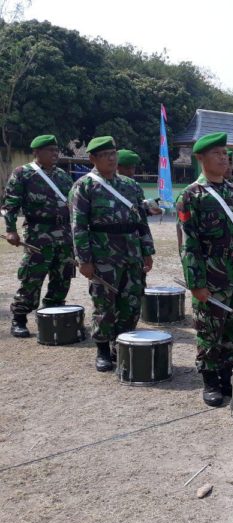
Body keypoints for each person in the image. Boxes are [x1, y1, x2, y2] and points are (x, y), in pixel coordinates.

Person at [177, 132, 233, 405]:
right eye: (217, 154)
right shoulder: (191, 196)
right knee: (209, 329)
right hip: (212, 275)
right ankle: (210, 380)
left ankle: (227, 376)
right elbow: (188, 244)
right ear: (201, 158)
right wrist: (196, 282)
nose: (224, 158)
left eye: (226, 153)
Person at [71, 136, 155, 371]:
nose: (111, 158)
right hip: (102, 255)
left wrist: (147, 250)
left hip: (132, 253)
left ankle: (123, 345)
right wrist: (84, 259)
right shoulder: (84, 186)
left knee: (131, 300)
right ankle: (102, 349)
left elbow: (141, 222)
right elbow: (78, 226)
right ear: (92, 158)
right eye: (105, 154)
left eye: (113, 153)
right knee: (104, 303)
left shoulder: (130, 186)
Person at [3, 134, 74, 337]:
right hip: (38, 235)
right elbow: (11, 206)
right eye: (50, 150)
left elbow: (73, 205)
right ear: (37, 152)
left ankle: (52, 315)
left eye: (56, 150)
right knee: (32, 277)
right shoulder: (23, 174)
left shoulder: (62, 175)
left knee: (62, 277)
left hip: (64, 235)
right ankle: (19, 317)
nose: (55, 153)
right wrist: (10, 230)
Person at [117, 149, 163, 216]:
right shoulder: (105, 186)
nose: (131, 172)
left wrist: (149, 208)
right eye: (127, 168)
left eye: (133, 168)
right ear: (116, 167)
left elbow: (139, 209)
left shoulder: (135, 186)